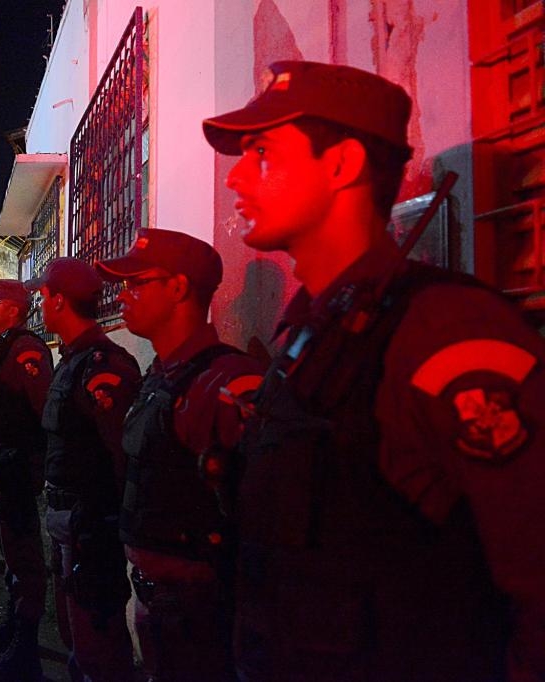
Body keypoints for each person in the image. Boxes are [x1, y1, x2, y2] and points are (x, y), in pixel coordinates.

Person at [202, 60, 545, 680]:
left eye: (262, 152)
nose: (236, 178)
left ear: (342, 165)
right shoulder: (314, 324)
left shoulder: (443, 328)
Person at [95, 229, 264, 681]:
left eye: (136, 284)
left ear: (178, 288)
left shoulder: (226, 383)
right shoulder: (161, 373)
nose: (123, 295)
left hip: (202, 616)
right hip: (160, 604)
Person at [24, 257, 141, 681]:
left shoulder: (102, 365)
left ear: (59, 301)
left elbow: (123, 456)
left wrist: (105, 526)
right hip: (69, 523)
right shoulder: (73, 358)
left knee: (99, 648)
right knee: (78, 641)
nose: (39, 304)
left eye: (43, 296)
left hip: (90, 528)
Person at [0, 279, 53, 682]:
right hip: (6, 462)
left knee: (24, 555)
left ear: (14, 310)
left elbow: (41, 414)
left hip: (20, 465)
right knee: (10, 549)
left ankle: (26, 652)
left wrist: (29, 460)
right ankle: (12, 627)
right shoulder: (6, 345)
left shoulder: (26, 350)